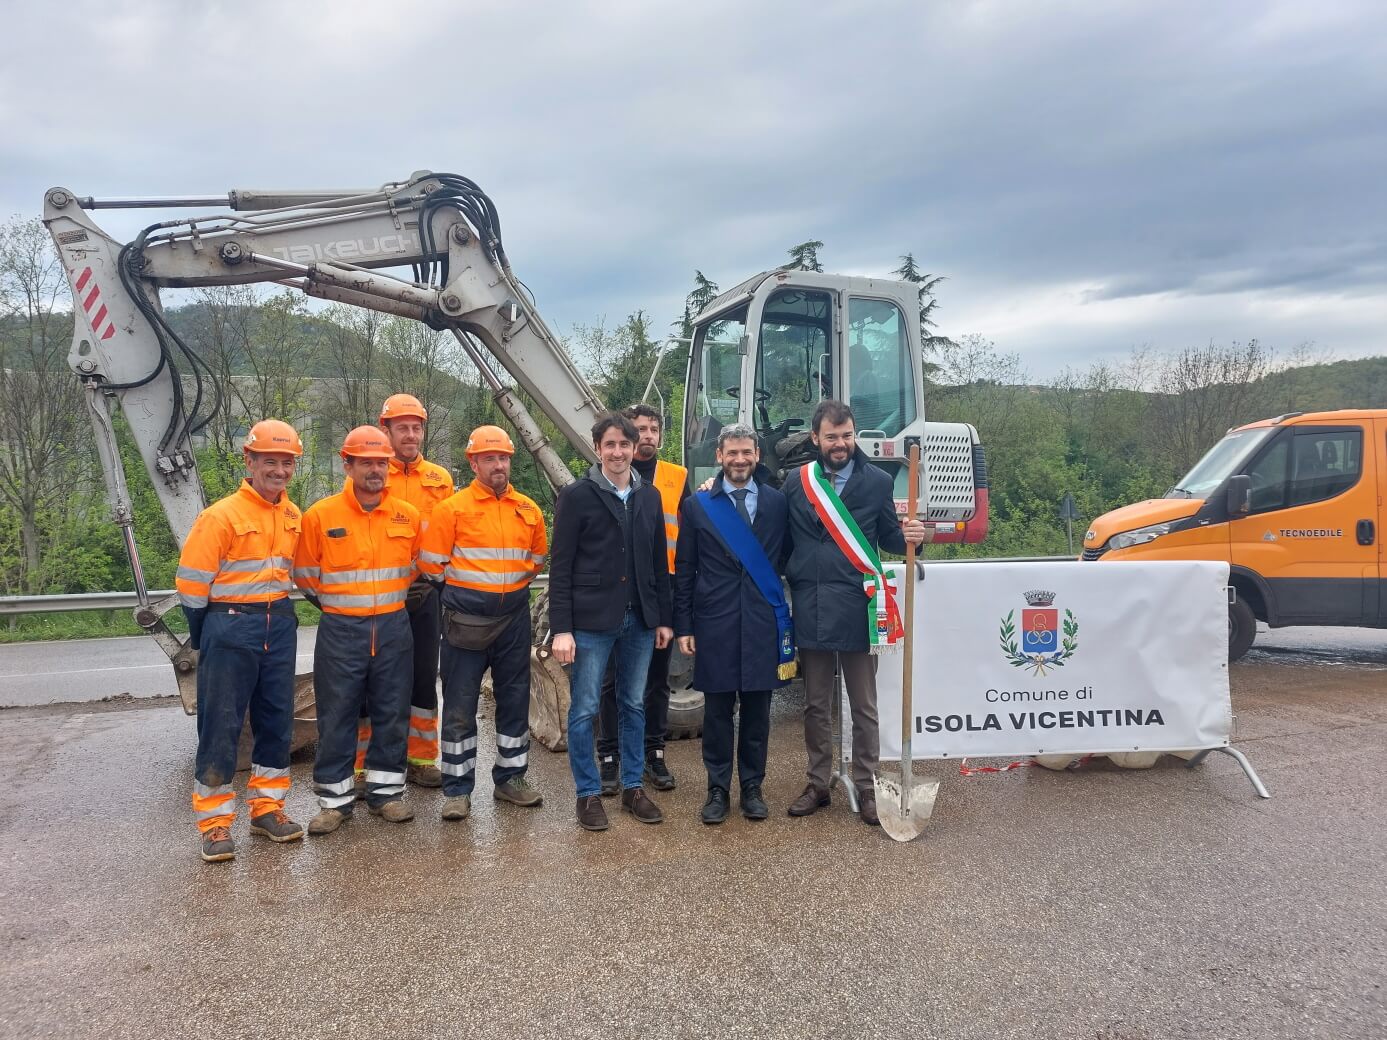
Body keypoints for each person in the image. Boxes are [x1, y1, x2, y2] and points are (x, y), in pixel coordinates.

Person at [783, 400, 929, 826]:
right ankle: (818, 783)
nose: (840, 444)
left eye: (847, 436)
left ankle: (866, 784)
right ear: (816, 438)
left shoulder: (878, 481)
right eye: (832, 437)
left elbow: (890, 538)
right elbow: (780, 536)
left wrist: (915, 535)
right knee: (815, 705)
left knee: (863, 705)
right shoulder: (796, 481)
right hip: (811, 603)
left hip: (857, 606)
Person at [176, 419, 305, 863]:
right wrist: (207, 632)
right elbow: (191, 585)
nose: (279, 471)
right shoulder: (220, 516)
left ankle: (267, 808)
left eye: (287, 462)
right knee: (221, 725)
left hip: (278, 623)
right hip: (229, 624)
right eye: (270, 461)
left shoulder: (293, 515)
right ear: (249, 461)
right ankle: (214, 824)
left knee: (276, 720)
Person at [549, 412, 674, 832]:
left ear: (634, 448)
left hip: (639, 620)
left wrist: (662, 619)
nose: (618, 452)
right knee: (585, 709)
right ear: (597, 448)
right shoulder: (576, 496)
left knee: (634, 704)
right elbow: (560, 567)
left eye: (624, 445)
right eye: (610, 445)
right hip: (590, 622)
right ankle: (587, 794)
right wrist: (561, 629)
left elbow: (658, 563)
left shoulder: (650, 496)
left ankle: (633, 787)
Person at [294, 426, 421, 835]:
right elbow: (306, 574)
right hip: (341, 629)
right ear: (347, 465)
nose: (375, 470)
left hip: (393, 626)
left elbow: (415, 567)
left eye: (381, 463)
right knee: (337, 713)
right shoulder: (320, 516)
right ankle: (334, 803)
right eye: (366, 463)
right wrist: (344, 605)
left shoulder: (407, 515)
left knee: (392, 710)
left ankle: (387, 794)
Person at [417, 425, 548, 820]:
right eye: (489, 458)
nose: (498, 465)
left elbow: (537, 560)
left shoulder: (528, 509)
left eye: (503, 457)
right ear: (473, 463)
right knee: (460, 704)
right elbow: (431, 566)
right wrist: (469, 594)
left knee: (515, 701)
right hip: (465, 622)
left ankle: (511, 778)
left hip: (513, 621)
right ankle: (457, 790)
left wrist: (502, 589)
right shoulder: (452, 509)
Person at [674, 423, 792, 825]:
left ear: (757, 455)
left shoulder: (778, 503)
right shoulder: (698, 505)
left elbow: (786, 557)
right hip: (715, 621)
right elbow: (685, 567)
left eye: (746, 452)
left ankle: (753, 788)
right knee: (717, 713)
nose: (739, 460)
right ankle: (718, 789)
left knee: (758, 711)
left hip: (761, 620)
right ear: (719, 456)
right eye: (732, 453)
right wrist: (685, 626)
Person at [359, 392, 455, 790]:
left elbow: (450, 534)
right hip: (379, 594)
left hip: (425, 593)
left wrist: (437, 582)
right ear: (386, 430)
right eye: (402, 428)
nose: (411, 435)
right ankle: (363, 765)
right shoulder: (372, 473)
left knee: (422, 676)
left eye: (416, 428)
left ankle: (420, 758)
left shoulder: (440, 479)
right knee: (371, 680)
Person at [596, 404, 687, 795]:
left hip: (662, 586)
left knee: (656, 680)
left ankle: (654, 752)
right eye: (640, 429)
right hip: (618, 589)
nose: (647, 435)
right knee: (611, 679)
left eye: (653, 429)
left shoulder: (678, 478)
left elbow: (689, 531)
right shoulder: (609, 479)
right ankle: (610, 755)